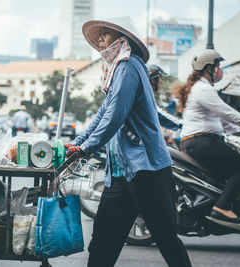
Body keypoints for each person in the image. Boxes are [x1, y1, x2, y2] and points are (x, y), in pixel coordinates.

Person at [67, 17, 191, 267]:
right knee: (104, 239)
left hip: (146, 169)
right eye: (99, 35)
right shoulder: (117, 70)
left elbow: (115, 116)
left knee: (165, 236)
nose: (100, 39)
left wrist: (86, 148)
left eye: (105, 34)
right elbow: (103, 114)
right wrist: (77, 144)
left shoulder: (128, 66)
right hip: (122, 172)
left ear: (122, 38)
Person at [175, 49, 240, 226]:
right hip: (203, 143)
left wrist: (238, 128)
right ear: (208, 68)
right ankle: (222, 207)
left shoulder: (199, 89)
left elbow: (223, 122)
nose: (220, 71)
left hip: (199, 142)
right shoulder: (203, 89)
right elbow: (227, 112)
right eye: (218, 66)